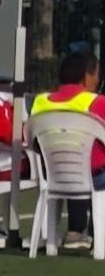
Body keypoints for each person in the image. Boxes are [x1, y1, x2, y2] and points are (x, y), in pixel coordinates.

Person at [31, 49, 101, 255]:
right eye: (96, 74)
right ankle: (96, 235)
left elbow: (32, 141)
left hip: (53, 175)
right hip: (91, 177)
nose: (98, 80)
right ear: (86, 76)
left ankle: (75, 232)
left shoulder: (40, 101)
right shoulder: (96, 103)